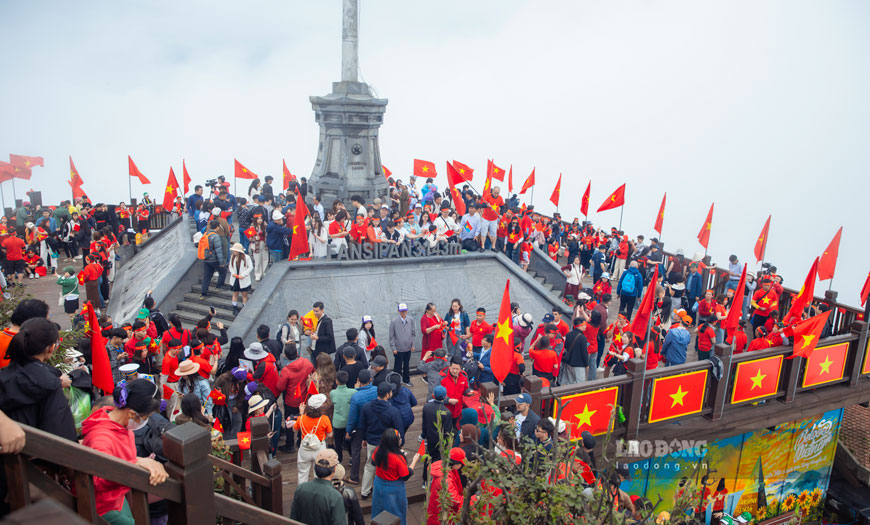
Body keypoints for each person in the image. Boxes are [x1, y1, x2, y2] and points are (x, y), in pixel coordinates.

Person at [82, 379, 169, 524]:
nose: (145, 421)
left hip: (119, 496)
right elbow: (100, 477)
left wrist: (140, 461)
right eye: (145, 417)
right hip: (104, 505)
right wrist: (137, 462)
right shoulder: (101, 438)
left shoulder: (118, 423)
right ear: (132, 414)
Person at [0, 318, 76, 441]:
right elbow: (61, 437)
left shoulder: (5, 375)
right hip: (35, 455)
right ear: (50, 348)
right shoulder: (50, 383)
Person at [359, 382, 404, 498]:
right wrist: (401, 443)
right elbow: (399, 429)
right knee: (387, 467)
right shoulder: (393, 411)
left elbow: (362, 425)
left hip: (371, 441)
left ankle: (364, 491)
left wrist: (364, 438)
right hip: (388, 444)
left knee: (369, 466)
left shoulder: (367, 407)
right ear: (388, 394)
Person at [372, 428, 420, 525]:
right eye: (399, 439)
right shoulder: (398, 458)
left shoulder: (378, 450)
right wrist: (414, 461)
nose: (401, 440)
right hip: (393, 488)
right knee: (397, 513)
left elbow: (373, 462)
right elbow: (405, 475)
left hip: (379, 484)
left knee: (378, 510)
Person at [289, 448, 348, 525]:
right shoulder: (335, 496)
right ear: (335, 469)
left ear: (315, 467)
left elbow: (293, 518)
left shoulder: (300, 488)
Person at [276, 344, 314, 452]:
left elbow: (280, 386)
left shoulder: (286, 371)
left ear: (287, 356)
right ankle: (301, 439)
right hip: (304, 397)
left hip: (291, 399)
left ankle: (290, 445)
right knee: (304, 418)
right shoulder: (307, 363)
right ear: (297, 353)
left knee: (289, 421)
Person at [289, 393, 334, 484]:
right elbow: (330, 435)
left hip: (305, 448)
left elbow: (294, 429)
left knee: (302, 474)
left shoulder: (301, 418)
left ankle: (301, 494)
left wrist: (301, 413)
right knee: (319, 475)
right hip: (319, 449)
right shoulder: (324, 419)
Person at [345, 369, 376, 485]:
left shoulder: (356, 396)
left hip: (359, 426)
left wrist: (348, 430)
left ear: (358, 380)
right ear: (370, 379)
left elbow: (352, 416)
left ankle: (354, 476)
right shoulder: (376, 390)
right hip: (373, 423)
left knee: (356, 450)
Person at [425, 448, 465, 525]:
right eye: (461, 464)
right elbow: (454, 500)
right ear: (456, 464)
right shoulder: (445, 480)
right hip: (441, 515)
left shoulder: (444, 467)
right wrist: (469, 499)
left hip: (437, 509)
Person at [330, 370, 355, 463]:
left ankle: (339, 460)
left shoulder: (333, 393)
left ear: (336, 381)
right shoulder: (352, 392)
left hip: (337, 422)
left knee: (338, 442)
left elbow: (332, 402)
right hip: (348, 421)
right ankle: (352, 457)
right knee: (349, 441)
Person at [199, 220, 227, 299]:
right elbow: (219, 250)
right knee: (223, 270)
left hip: (206, 259)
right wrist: (221, 262)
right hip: (214, 259)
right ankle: (219, 285)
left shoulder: (206, 234)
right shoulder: (216, 236)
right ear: (217, 227)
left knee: (207, 276)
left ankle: (203, 293)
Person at [388, 303, 416, 384]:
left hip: (408, 347)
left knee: (406, 365)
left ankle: (406, 380)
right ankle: (397, 382)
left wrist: (413, 344)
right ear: (398, 311)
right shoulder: (394, 321)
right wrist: (393, 348)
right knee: (398, 366)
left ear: (407, 311)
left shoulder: (410, 320)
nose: (403, 313)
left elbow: (413, 333)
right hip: (398, 348)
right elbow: (391, 336)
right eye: (401, 311)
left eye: (405, 311)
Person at [560, 317, 589, 385]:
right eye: (584, 325)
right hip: (579, 365)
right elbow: (584, 353)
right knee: (580, 385)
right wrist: (586, 364)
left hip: (569, 362)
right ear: (579, 326)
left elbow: (566, 347)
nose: (585, 326)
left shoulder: (568, 334)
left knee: (570, 383)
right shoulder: (582, 338)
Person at [440, 357, 469, 421]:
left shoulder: (464, 376)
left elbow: (466, 389)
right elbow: (435, 395)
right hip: (445, 410)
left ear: (460, 368)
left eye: (457, 369)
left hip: (458, 409)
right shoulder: (442, 377)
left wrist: (469, 392)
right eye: (453, 368)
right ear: (449, 366)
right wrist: (448, 400)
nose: (455, 371)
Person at [227, 243, 253, 315]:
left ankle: (244, 307)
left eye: (235, 251)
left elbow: (250, 267)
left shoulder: (246, 257)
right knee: (235, 293)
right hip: (235, 279)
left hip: (243, 279)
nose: (234, 252)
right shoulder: (233, 257)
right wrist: (233, 273)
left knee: (244, 294)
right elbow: (230, 266)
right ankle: (234, 308)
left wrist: (243, 274)